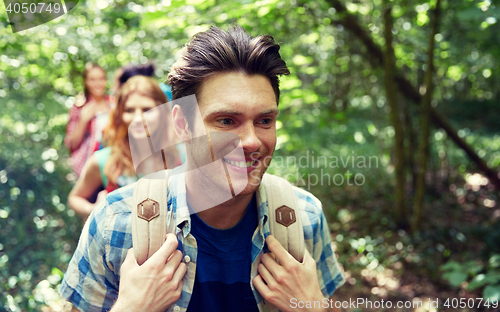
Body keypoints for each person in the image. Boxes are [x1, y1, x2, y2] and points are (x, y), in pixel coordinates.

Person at [60, 25, 344, 312]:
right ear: (182, 124)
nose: (250, 141)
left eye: (265, 120)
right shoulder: (114, 223)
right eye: (226, 121)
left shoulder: (303, 218)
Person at [67, 75, 184, 219]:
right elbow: (75, 197)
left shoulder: (183, 156)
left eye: (147, 109)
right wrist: (93, 209)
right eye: (129, 110)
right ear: (119, 115)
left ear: (162, 112)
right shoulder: (103, 160)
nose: (138, 117)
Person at [65, 63, 113, 177]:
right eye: (92, 79)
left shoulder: (114, 103)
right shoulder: (79, 107)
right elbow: (71, 145)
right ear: (85, 82)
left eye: (101, 79)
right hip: (89, 166)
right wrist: (83, 120)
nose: (98, 83)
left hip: (113, 162)